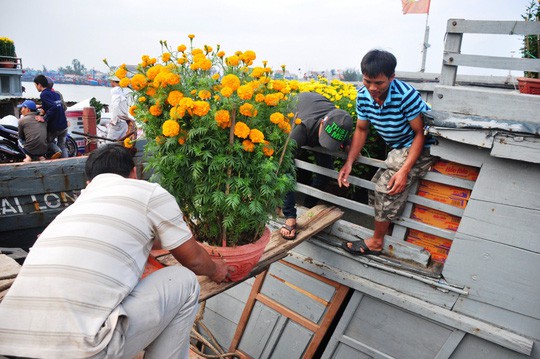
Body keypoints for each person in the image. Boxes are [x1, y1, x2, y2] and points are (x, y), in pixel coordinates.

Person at [0, 144, 231, 359]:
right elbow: (195, 261)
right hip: (79, 350)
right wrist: (217, 270)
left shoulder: (75, 208)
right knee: (185, 280)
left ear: (89, 182)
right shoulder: (148, 192)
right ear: (134, 173)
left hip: (7, 344)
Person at [337, 49, 436, 256]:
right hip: (397, 148)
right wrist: (349, 162)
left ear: (392, 77)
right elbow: (361, 129)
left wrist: (405, 170)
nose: (372, 88)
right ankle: (385, 231)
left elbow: (421, 134)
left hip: (421, 145)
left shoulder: (405, 95)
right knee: (375, 187)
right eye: (367, 81)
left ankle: (376, 242)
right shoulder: (363, 96)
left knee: (386, 188)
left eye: (379, 83)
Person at [280, 91, 353, 240]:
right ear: (322, 124)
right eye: (326, 139)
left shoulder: (340, 121)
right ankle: (289, 215)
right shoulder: (302, 128)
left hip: (316, 112)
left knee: (326, 172)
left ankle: (308, 208)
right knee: (288, 170)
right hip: (297, 113)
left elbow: (346, 139)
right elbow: (285, 166)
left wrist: (348, 148)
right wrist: (290, 215)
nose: (327, 145)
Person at [34, 74, 68, 159]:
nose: (35, 87)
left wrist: (43, 118)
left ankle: (57, 151)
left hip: (55, 126)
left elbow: (53, 107)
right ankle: (66, 162)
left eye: (35, 85)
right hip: (64, 125)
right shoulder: (55, 94)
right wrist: (41, 107)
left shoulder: (43, 94)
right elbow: (56, 105)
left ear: (39, 85)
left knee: (46, 141)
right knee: (62, 145)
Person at [107, 74, 130, 140]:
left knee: (109, 143)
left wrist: (114, 120)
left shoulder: (116, 93)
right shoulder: (122, 92)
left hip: (118, 122)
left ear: (113, 82)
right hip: (124, 122)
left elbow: (115, 107)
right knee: (121, 142)